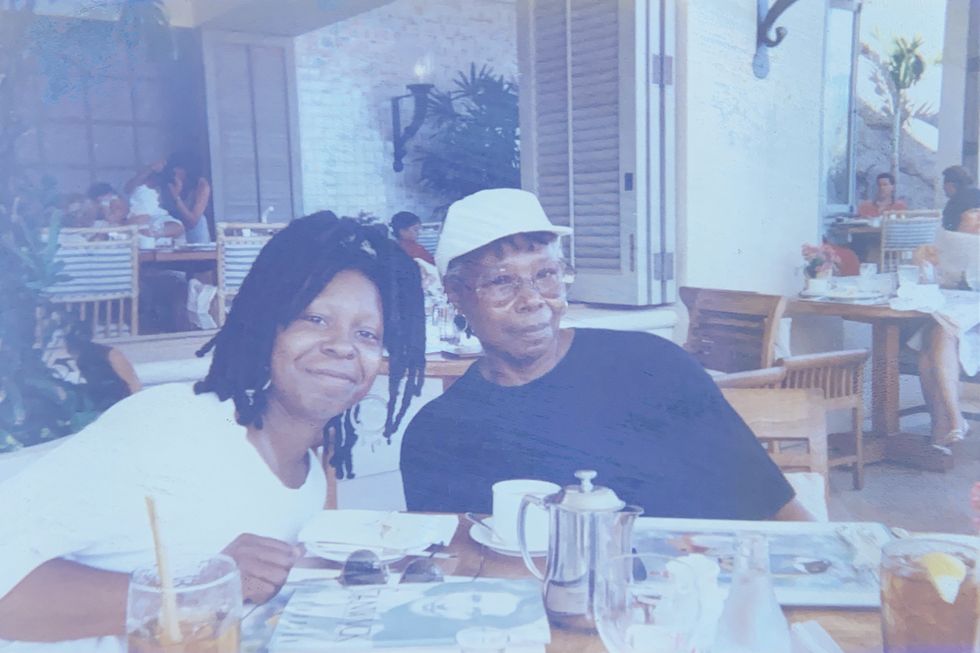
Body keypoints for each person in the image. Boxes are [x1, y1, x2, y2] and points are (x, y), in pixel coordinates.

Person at [0, 212, 426, 651]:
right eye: (314, 319)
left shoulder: (310, 478)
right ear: (266, 326)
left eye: (367, 334)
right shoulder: (170, 426)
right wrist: (200, 589)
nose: (343, 346)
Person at [400, 188, 812, 521]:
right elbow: (450, 570)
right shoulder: (440, 433)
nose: (533, 300)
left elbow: (774, 508)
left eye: (546, 275)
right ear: (455, 295)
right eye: (501, 282)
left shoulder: (653, 368)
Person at [911, 226, 980, 445]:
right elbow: (927, 290)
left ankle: (945, 424)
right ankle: (953, 421)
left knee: (929, 351)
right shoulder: (943, 248)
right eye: (972, 213)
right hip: (950, 321)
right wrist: (927, 267)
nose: (978, 218)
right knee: (936, 337)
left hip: (974, 328)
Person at [64, 320, 141, 411]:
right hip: (99, 401)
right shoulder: (81, 358)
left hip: (119, 401)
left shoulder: (109, 353)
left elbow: (132, 381)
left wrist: (137, 403)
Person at [160, 151, 212, 244]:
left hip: (195, 231)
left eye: (179, 168)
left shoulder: (202, 186)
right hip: (175, 230)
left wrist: (176, 197)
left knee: (200, 221)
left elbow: (193, 221)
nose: (175, 171)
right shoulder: (172, 182)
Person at [941, 165, 980, 232]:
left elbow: (948, 229)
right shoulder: (978, 194)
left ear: (950, 185)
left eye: (944, 185)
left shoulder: (954, 203)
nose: (943, 188)